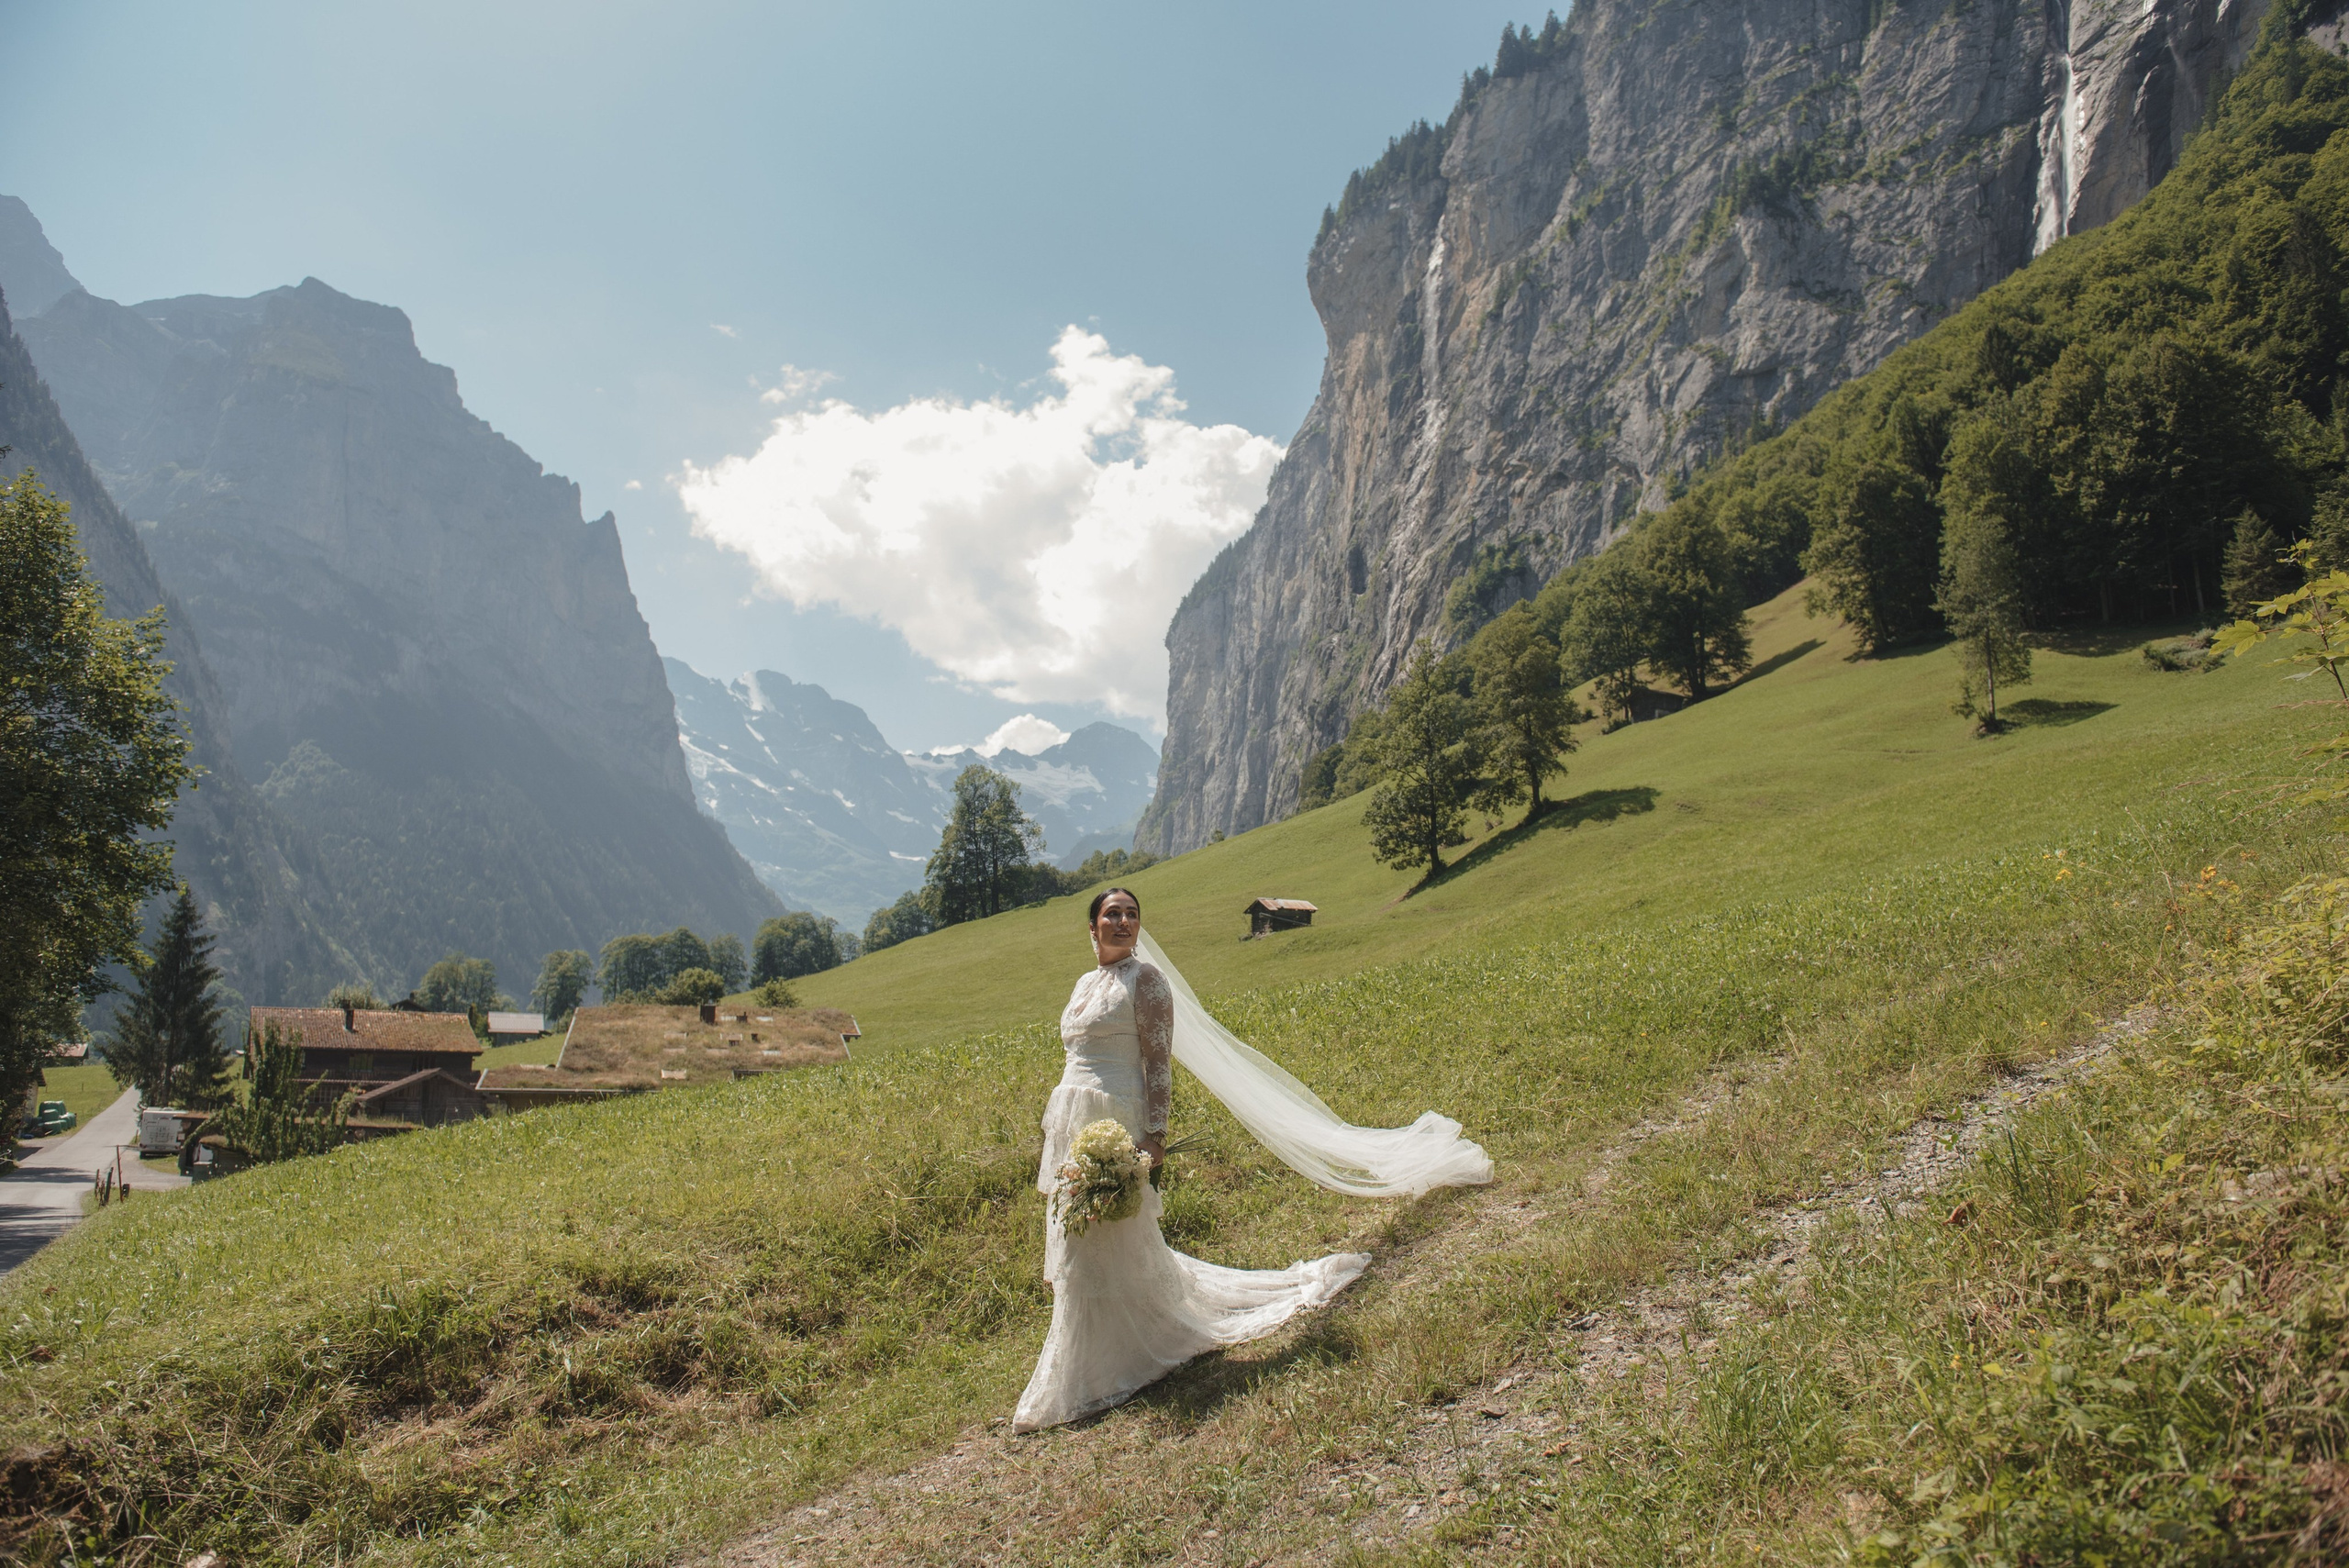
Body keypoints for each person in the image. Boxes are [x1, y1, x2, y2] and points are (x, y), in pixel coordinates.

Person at [1013, 886, 1491, 1432]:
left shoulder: (1146, 981)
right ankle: (1095, 1344)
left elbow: (1158, 1063)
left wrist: (1154, 1135)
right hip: (1074, 1124)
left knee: (1114, 1231)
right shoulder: (1083, 984)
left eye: (1132, 914)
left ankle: (1123, 1349)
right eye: (1111, 914)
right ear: (1092, 927)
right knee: (1079, 1234)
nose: (1123, 922)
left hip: (1117, 1119)